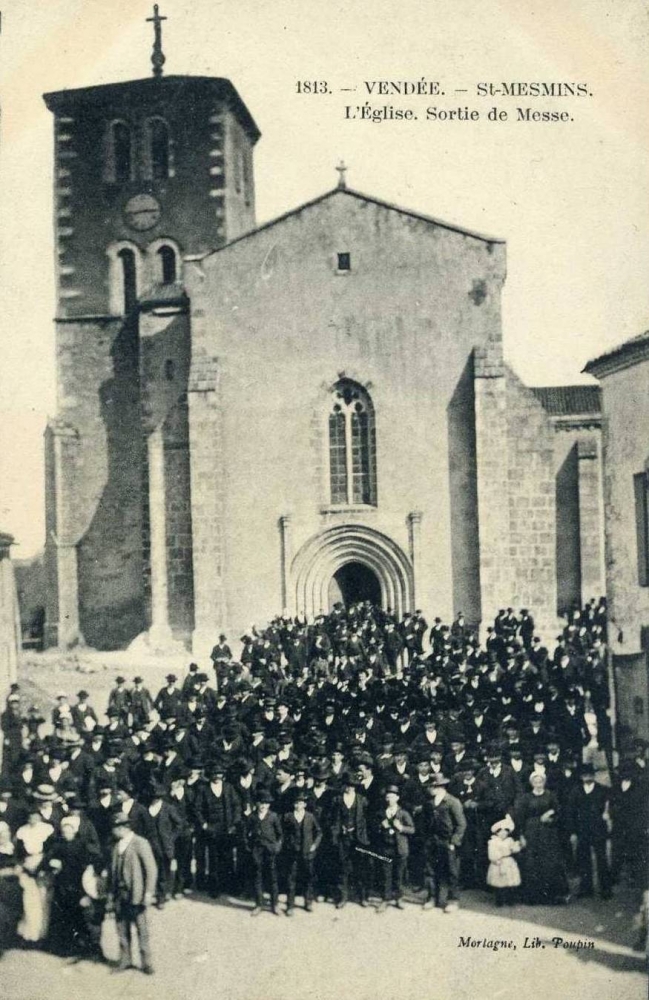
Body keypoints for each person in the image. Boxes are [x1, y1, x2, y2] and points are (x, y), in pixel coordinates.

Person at [107, 811, 158, 975]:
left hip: (136, 894)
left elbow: (151, 870)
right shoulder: (117, 846)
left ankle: (146, 962)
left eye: (114, 828)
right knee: (121, 928)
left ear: (122, 828)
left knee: (141, 929)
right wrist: (111, 894)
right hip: (120, 894)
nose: (113, 831)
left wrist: (148, 892)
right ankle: (125, 960)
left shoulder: (140, 843)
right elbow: (113, 872)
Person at [515, 773, 569, 905]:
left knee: (549, 862)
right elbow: (520, 818)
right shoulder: (526, 798)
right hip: (531, 833)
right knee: (531, 863)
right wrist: (521, 835)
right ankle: (533, 897)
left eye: (541, 782)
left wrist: (550, 818)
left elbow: (559, 813)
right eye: (536, 782)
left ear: (544, 782)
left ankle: (551, 896)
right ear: (532, 783)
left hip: (548, 833)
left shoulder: (550, 796)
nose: (538, 784)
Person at [421, 773, 466, 913]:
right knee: (430, 870)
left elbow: (461, 824)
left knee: (452, 871)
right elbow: (425, 823)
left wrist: (454, 841)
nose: (429, 789)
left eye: (431, 786)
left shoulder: (452, 802)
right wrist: (427, 839)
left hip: (448, 841)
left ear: (439, 787)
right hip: (432, 841)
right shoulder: (429, 803)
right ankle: (432, 897)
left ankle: (453, 900)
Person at [375, 785, 415, 912]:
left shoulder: (403, 813)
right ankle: (385, 899)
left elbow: (412, 829)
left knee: (399, 874)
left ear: (397, 798)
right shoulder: (381, 813)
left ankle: (399, 898)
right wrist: (381, 826)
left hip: (400, 848)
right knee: (385, 875)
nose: (389, 800)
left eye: (392, 797)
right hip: (385, 848)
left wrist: (401, 827)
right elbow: (374, 828)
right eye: (387, 797)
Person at [282, 790, 322, 915]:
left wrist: (314, 845)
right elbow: (282, 833)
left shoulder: (310, 817)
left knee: (308, 877)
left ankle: (308, 902)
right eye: (296, 803)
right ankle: (290, 905)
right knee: (291, 878)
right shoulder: (288, 816)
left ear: (304, 804)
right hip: (292, 852)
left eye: (300, 803)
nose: (298, 805)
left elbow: (319, 832)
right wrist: (287, 844)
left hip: (307, 852)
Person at [247, 790, 282, 916]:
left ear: (269, 805)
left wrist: (276, 847)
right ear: (256, 803)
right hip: (257, 851)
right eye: (261, 803)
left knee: (272, 877)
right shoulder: (252, 817)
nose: (263, 806)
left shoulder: (273, 816)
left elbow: (280, 835)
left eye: (266, 803)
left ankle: (274, 905)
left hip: (270, 851)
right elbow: (246, 834)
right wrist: (250, 848)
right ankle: (259, 904)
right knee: (257, 876)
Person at [486, 817, 522, 906]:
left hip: (508, 861)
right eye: (500, 832)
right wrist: (495, 859)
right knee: (499, 882)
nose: (503, 834)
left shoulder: (509, 841)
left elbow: (514, 849)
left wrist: (517, 846)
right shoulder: (493, 841)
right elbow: (492, 852)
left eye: (505, 832)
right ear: (496, 832)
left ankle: (510, 900)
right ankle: (499, 900)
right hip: (498, 862)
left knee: (510, 880)